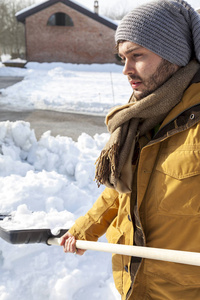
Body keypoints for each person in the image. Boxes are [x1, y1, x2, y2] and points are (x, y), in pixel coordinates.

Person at [60, 0, 200, 299]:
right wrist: (84, 230)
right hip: (135, 284)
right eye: (122, 57)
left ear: (174, 54)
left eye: (137, 56)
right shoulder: (140, 118)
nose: (126, 69)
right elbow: (123, 188)